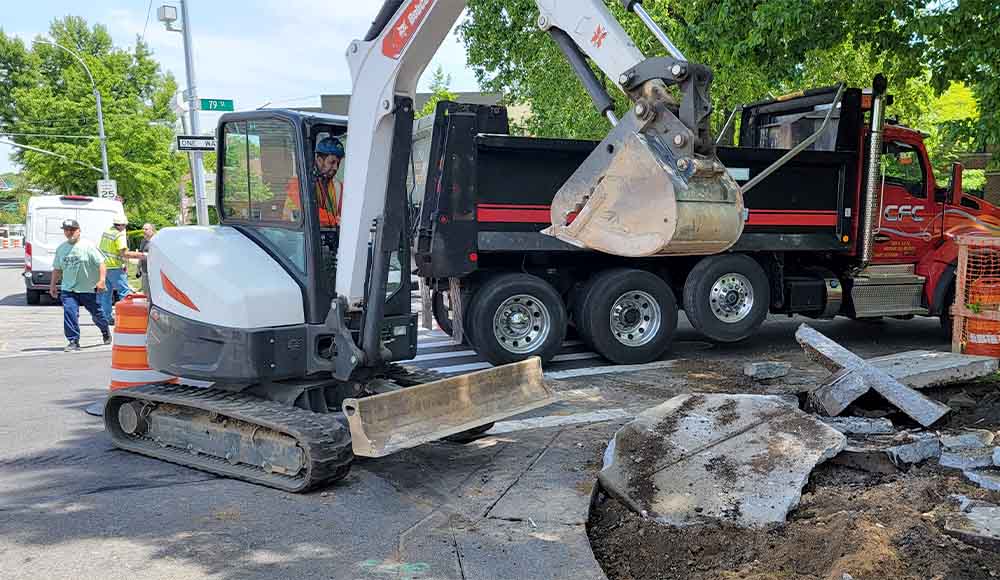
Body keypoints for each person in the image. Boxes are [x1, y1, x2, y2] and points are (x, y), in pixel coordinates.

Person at [50, 219, 111, 352]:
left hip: (88, 289)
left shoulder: (88, 246)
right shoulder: (61, 248)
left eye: (72, 230)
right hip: (68, 289)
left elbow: (101, 263)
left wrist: (101, 280)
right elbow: (57, 268)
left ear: (79, 231)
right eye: (66, 230)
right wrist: (53, 285)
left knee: (97, 314)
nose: (69, 232)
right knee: (70, 312)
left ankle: (104, 329)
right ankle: (73, 341)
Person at [284, 137, 344, 227]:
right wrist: (335, 221)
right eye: (332, 162)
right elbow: (309, 211)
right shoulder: (298, 183)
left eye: (338, 163)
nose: (336, 167)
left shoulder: (338, 187)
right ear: (319, 160)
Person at [98, 216, 143, 324]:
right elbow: (124, 253)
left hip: (104, 267)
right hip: (114, 267)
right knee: (125, 292)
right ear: (122, 225)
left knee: (105, 294)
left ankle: (106, 318)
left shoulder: (107, 231)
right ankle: (128, 316)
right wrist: (142, 255)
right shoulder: (119, 235)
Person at [137, 223, 157, 295]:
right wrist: (138, 268)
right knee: (146, 292)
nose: (143, 231)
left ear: (152, 230)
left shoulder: (157, 240)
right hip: (145, 271)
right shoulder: (143, 241)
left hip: (154, 272)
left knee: (154, 293)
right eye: (143, 229)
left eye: (146, 229)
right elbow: (140, 255)